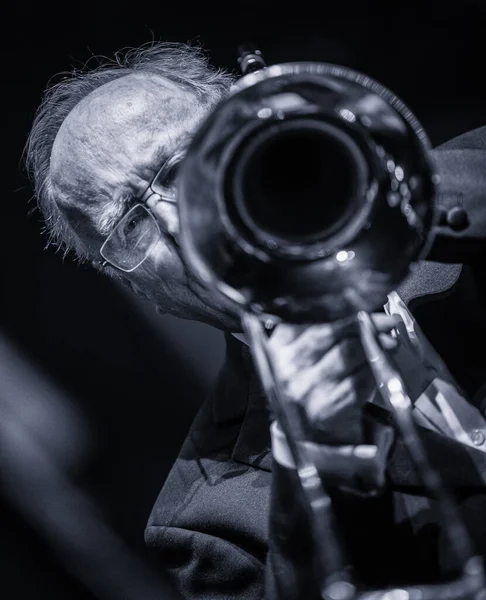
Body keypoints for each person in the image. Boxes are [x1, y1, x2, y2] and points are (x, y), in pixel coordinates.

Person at [24, 41, 486, 599]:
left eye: (182, 167)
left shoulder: (464, 185)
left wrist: (396, 211)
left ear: (258, 135)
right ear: (139, 288)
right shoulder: (203, 522)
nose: (177, 222)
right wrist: (326, 466)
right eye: (130, 227)